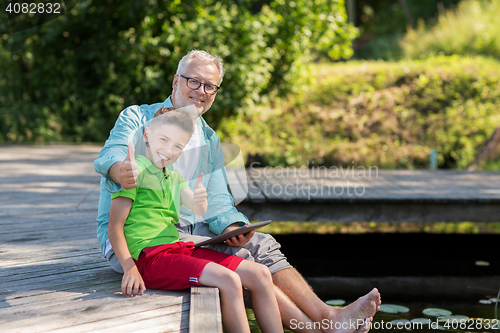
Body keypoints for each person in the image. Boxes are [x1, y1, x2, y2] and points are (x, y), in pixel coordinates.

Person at [94, 49, 381, 333]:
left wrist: (234, 226)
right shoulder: (139, 118)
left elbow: (218, 198)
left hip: (189, 229)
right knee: (244, 262)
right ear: (175, 81)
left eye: (210, 86)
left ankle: (328, 317)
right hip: (143, 239)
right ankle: (323, 328)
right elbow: (112, 155)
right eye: (193, 81)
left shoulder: (209, 138)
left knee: (262, 244)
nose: (201, 91)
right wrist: (124, 170)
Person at [108, 110, 283, 333]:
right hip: (150, 258)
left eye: (178, 146)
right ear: (147, 134)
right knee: (229, 280)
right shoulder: (134, 171)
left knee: (260, 273)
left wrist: (200, 197)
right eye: (163, 140)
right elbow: (114, 228)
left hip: (177, 249)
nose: (168, 151)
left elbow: (197, 207)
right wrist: (130, 269)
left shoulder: (173, 177)